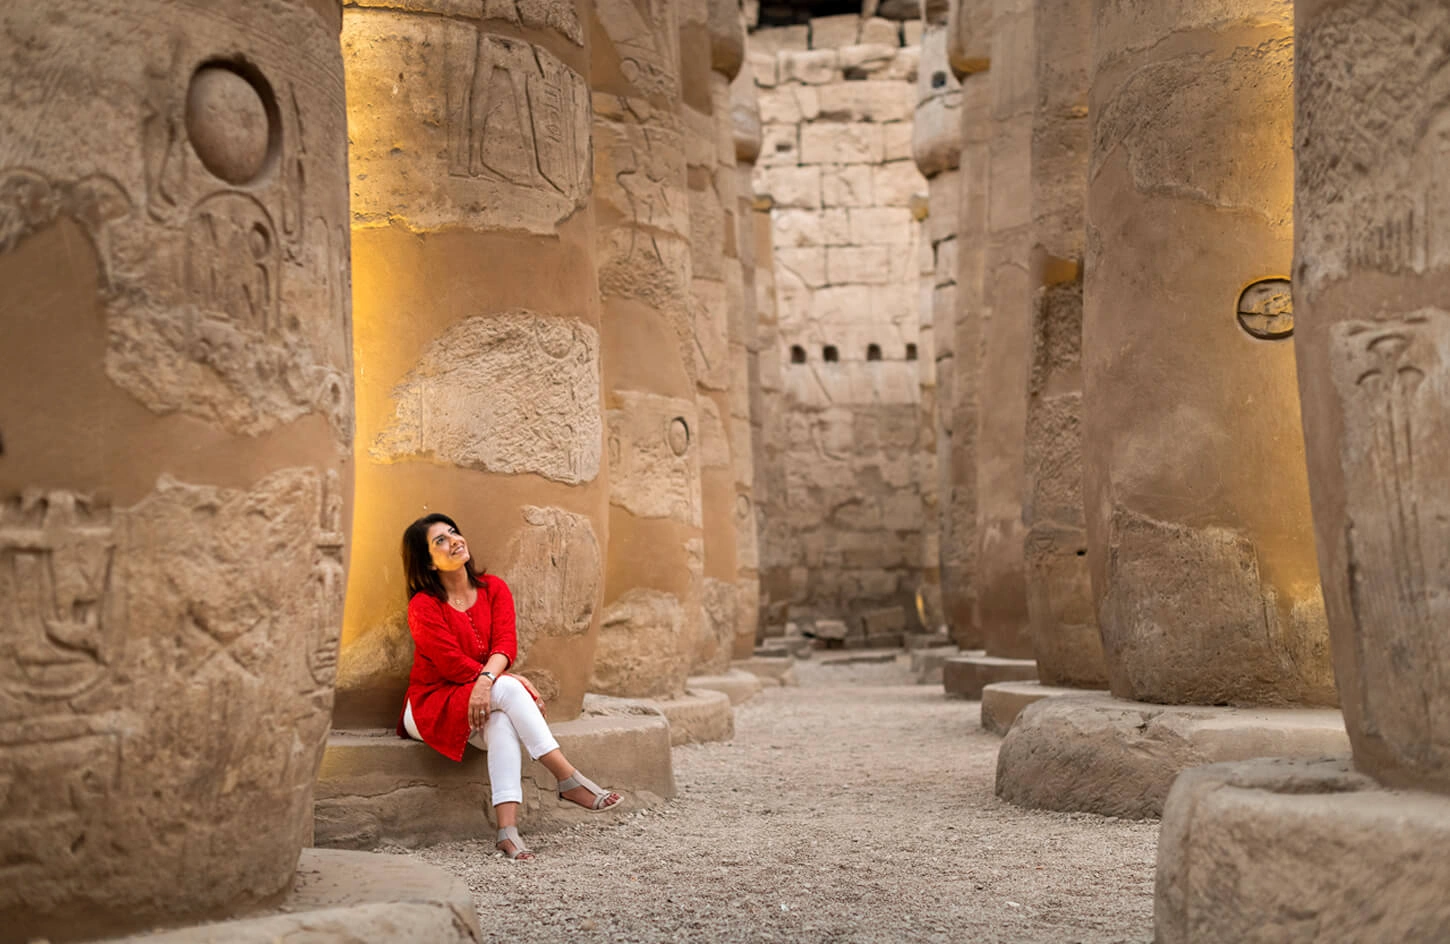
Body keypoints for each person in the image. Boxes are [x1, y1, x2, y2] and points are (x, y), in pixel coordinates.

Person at [397, 513, 622, 860]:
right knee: (511, 690)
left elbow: (506, 645)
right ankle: (567, 778)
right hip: (430, 705)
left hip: (480, 697)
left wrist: (489, 681)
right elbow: (449, 664)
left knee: (501, 720)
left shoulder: (493, 589)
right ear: (427, 561)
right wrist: (501, 679)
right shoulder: (423, 606)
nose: (454, 540)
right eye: (440, 540)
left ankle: (507, 831)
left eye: (454, 531)